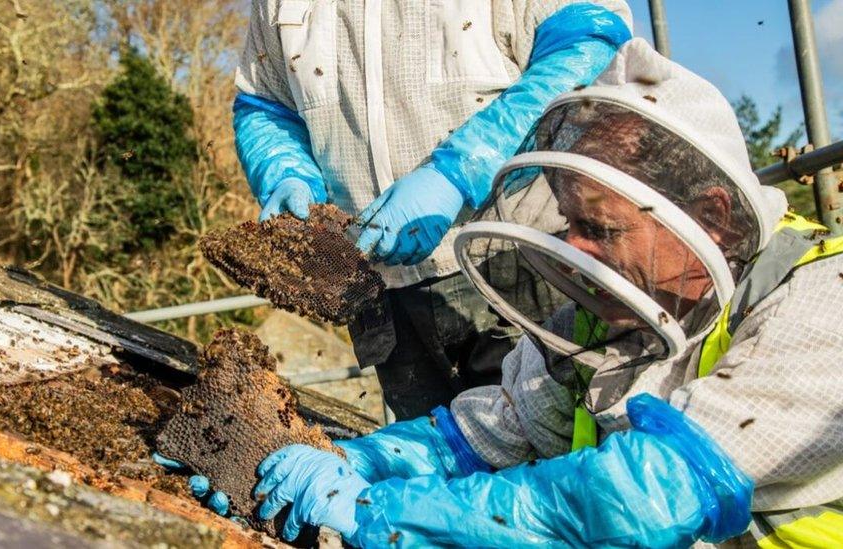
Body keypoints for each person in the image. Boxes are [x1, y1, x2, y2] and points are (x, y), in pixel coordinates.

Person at [240, 39, 843, 547]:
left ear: (709, 215)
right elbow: (487, 432)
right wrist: (354, 462)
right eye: (569, 223)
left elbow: (643, 496)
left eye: (601, 229)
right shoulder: (593, 320)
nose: (575, 251)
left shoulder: (822, 299)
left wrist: (380, 514)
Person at [233, 0, 633, 419]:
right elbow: (264, 104)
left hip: (522, 264)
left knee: (551, 451)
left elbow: (590, 49)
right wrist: (285, 173)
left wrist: (459, 171)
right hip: (382, 291)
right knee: (434, 461)